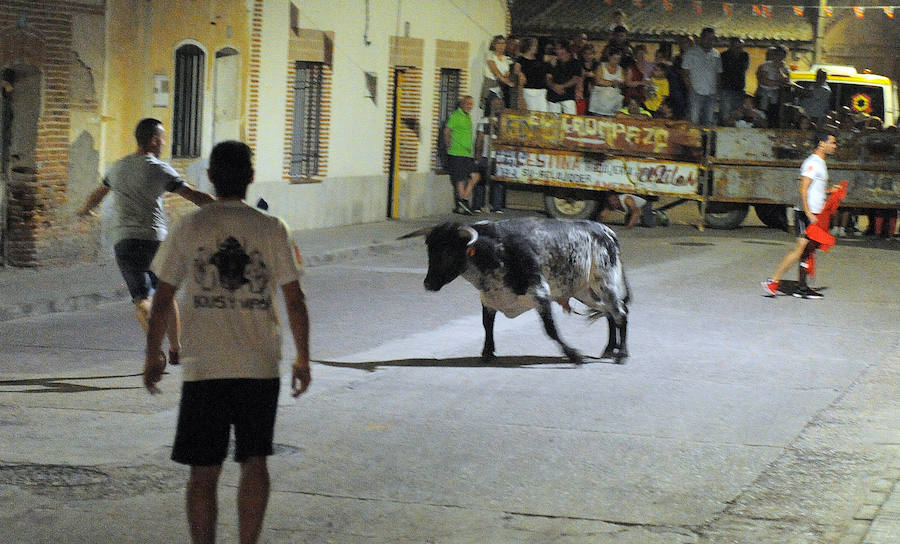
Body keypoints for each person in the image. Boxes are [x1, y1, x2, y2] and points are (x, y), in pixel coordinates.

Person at [143, 140, 311, 544]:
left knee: (202, 471)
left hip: (205, 369)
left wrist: (153, 354)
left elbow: (162, 298)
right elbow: (295, 299)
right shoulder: (272, 228)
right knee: (255, 461)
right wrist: (303, 358)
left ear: (211, 178)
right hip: (258, 367)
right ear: (251, 178)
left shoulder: (190, 227)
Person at [77, 118, 213, 366]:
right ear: (153, 140)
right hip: (155, 241)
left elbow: (99, 191)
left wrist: (86, 209)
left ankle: (154, 350)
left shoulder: (118, 168)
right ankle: (175, 349)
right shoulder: (158, 168)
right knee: (166, 294)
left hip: (125, 243)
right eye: (162, 137)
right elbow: (192, 195)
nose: (163, 142)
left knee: (141, 299)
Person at [762, 131, 839, 299]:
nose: (835, 146)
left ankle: (802, 288)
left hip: (813, 214)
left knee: (807, 250)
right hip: (806, 214)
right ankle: (773, 281)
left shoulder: (820, 162)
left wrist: (829, 191)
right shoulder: (812, 163)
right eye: (832, 143)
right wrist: (808, 212)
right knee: (801, 249)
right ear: (821, 144)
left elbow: (814, 189)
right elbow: (803, 188)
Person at [444, 95, 480, 214]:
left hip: (467, 153)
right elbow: (447, 131)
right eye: (468, 104)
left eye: (471, 104)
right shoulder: (455, 116)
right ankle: (463, 203)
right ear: (462, 104)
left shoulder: (467, 117)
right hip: (457, 152)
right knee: (461, 178)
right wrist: (448, 144)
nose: (470, 106)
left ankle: (462, 199)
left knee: (475, 176)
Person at [682, 27, 722, 126]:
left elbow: (718, 74)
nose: (709, 41)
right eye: (707, 38)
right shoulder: (690, 53)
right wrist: (691, 90)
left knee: (708, 122)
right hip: (696, 93)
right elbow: (685, 74)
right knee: (694, 121)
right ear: (701, 38)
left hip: (711, 94)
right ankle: (693, 141)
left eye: (712, 39)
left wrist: (718, 91)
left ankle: (706, 141)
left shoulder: (716, 54)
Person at [473, 94, 506, 214]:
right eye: (495, 104)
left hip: (499, 156)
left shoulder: (505, 122)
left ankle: (497, 206)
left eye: (500, 104)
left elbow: (505, 136)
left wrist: (496, 125)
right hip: (486, 156)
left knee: (498, 182)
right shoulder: (484, 121)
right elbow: (479, 139)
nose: (498, 106)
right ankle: (477, 205)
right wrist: (477, 154)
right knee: (481, 181)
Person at [755, 46, 792, 128]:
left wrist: (779, 70)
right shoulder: (766, 65)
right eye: (778, 55)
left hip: (776, 96)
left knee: (774, 117)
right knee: (761, 115)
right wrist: (778, 82)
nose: (780, 57)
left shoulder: (785, 68)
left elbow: (786, 80)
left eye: (783, 56)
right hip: (763, 94)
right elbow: (764, 80)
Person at [719, 37, 750, 125]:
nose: (739, 49)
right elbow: (722, 71)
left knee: (738, 116)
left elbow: (742, 69)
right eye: (737, 47)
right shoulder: (724, 56)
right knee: (725, 116)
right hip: (726, 89)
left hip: (739, 90)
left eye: (741, 47)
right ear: (731, 45)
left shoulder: (744, 56)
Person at [515, 37, 549, 112]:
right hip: (529, 90)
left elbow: (551, 58)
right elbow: (516, 70)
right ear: (529, 47)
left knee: (544, 112)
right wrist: (520, 73)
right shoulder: (521, 59)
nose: (536, 48)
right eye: (534, 45)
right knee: (532, 113)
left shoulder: (539, 57)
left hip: (541, 90)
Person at [546, 42, 581, 114]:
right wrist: (554, 86)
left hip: (568, 97)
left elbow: (575, 79)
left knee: (570, 120)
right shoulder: (553, 62)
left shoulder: (575, 63)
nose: (557, 51)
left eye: (559, 49)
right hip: (553, 97)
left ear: (566, 50)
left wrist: (562, 86)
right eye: (556, 49)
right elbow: (548, 78)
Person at [589, 49, 625, 116]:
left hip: (613, 103)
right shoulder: (601, 67)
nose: (616, 62)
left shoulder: (621, 69)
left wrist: (620, 84)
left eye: (618, 59)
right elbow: (598, 81)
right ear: (609, 57)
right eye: (614, 59)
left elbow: (623, 82)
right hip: (599, 103)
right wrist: (611, 83)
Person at [483, 35, 513, 109]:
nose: (501, 46)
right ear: (494, 44)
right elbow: (494, 69)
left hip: (501, 89)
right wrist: (503, 79)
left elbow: (508, 73)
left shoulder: (507, 59)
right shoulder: (490, 55)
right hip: (491, 87)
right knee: (491, 112)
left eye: (503, 43)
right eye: (499, 43)